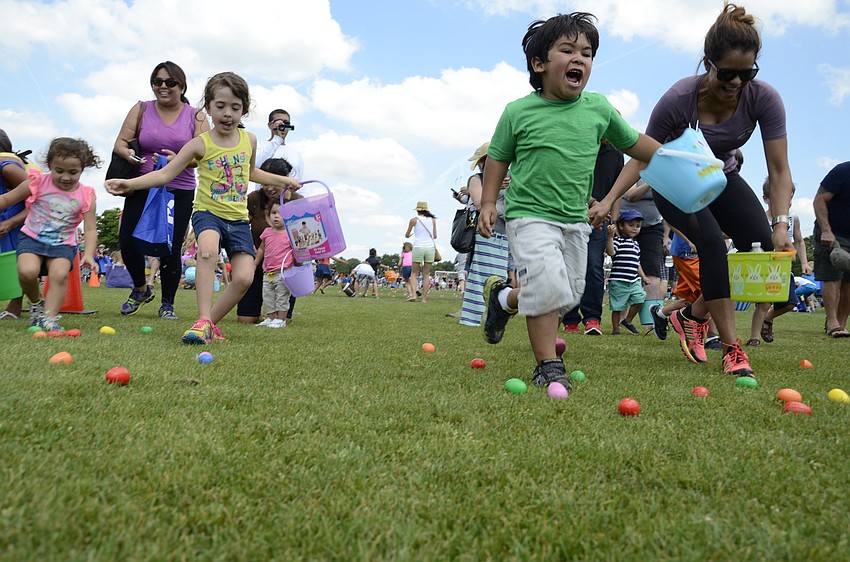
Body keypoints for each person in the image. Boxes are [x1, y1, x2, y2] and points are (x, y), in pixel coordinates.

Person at [590, 4, 795, 378]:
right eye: (728, 73)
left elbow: (779, 171)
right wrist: (609, 200)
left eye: (746, 73)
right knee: (713, 245)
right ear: (708, 63)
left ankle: (692, 315)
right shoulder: (679, 98)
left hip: (723, 178)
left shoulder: (763, 98)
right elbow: (638, 154)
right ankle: (732, 349)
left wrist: (780, 223)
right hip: (676, 184)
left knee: (762, 244)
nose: (736, 83)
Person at [477, 12, 662, 389]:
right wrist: (488, 202)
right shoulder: (518, 111)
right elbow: (497, 157)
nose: (579, 58)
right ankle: (548, 365)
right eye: (567, 50)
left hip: (576, 219)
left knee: (567, 293)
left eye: (587, 53)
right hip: (529, 215)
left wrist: (677, 157)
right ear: (539, 64)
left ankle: (504, 300)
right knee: (547, 285)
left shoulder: (598, 109)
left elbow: (636, 144)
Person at [106, 71, 300, 344]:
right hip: (208, 213)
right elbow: (165, 174)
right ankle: (201, 319)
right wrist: (131, 184)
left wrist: (283, 180)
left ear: (244, 109)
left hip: (238, 219)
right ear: (207, 107)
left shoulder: (250, 141)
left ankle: (208, 323)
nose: (227, 113)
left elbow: (251, 172)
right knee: (207, 251)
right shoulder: (199, 143)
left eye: (235, 107)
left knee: (244, 278)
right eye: (220, 106)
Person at [113, 61, 210, 320]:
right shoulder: (141, 108)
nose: (163, 87)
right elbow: (120, 142)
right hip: (142, 185)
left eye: (170, 82)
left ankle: (168, 302)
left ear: (182, 85)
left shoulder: (197, 115)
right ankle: (141, 289)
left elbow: (206, 154)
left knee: (171, 246)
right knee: (128, 240)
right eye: (157, 82)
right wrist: (129, 154)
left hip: (179, 189)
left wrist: (180, 158)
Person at [0, 138, 100, 333]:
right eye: (59, 171)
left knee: (59, 275)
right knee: (27, 272)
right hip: (31, 238)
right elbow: (6, 199)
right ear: (50, 166)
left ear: (82, 169)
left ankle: (50, 319)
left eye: (73, 172)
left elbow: (90, 228)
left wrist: (88, 253)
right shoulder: (37, 183)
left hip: (62, 244)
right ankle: (37, 303)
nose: (65, 177)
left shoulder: (86, 195)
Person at [562, 140, 624, 335]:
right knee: (570, 266)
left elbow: (618, 190)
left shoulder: (616, 154)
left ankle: (592, 318)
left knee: (594, 267)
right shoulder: (579, 144)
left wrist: (613, 220)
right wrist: (592, 202)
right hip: (572, 213)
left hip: (600, 220)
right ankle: (570, 319)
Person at [236, 157, 302, 324]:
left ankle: (277, 314)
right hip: (256, 267)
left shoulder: (298, 202)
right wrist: (247, 247)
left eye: (275, 183)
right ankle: (262, 313)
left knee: (282, 319)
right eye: (265, 182)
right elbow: (239, 223)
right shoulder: (253, 200)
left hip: (284, 272)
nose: (269, 188)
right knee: (245, 319)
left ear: (286, 179)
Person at [748, 178, 811, 345]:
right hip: (766, 268)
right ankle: (754, 338)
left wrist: (804, 262)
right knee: (764, 303)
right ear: (766, 198)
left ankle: (768, 319)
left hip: (784, 268)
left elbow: (799, 241)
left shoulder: (793, 219)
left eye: (789, 197)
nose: (787, 202)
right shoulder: (760, 217)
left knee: (790, 303)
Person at [458, 144, 512, 327]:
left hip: (506, 235)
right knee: (481, 275)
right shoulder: (477, 179)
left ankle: (494, 316)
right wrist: (496, 189)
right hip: (486, 234)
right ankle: (473, 318)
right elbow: (481, 204)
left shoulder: (514, 177)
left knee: (500, 278)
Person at [813, 161, 850, 338]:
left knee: (849, 283)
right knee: (833, 277)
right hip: (831, 232)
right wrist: (826, 230)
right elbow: (819, 199)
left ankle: (841, 324)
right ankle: (832, 322)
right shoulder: (842, 171)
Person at [0, 130, 31, 320]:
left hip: (15, 221)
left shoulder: (8, 167)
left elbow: (42, 197)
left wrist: (11, 223)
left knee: (14, 261)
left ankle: (15, 306)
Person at [606, 210, 650, 335]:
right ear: (621, 226)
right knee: (617, 307)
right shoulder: (618, 241)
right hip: (619, 281)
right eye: (631, 225)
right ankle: (616, 329)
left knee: (640, 299)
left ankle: (628, 321)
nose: (635, 229)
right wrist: (610, 237)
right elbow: (610, 252)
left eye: (638, 226)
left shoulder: (636, 244)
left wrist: (644, 277)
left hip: (633, 280)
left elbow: (637, 263)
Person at [254, 201, 296, 328]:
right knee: (268, 297)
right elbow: (262, 249)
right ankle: (271, 318)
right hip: (267, 272)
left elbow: (297, 251)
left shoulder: (290, 233)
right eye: (274, 213)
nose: (276, 216)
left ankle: (281, 319)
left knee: (282, 297)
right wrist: (255, 263)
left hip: (283, 272)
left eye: (281, 213)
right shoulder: (267, 232)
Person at [255, 109, 304, 180]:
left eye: (286, 123)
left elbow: (300, 180)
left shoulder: (295, 153)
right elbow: (256, 165)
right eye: (279, 122)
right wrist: (277, 139)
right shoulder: (260, 147)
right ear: (270, 125)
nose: (283, 126)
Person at [405, 201, 438, 303]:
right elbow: (435, 236)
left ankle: (413, 295)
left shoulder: (414, 220)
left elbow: (407, 235)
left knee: (414, 273)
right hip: (430, 248)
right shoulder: (432, 220)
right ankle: (424, 298)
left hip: (419, 247)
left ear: (418, 210)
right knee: (426, 274)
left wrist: (411, 234)